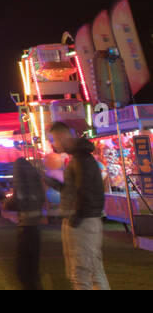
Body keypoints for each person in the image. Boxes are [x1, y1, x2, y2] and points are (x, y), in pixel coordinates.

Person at [39, 122, 109, 289]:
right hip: (82, 220)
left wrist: (75, 220)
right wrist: (51, 181)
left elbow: (89, 193)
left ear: (62, 137)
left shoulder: (81, 159)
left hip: (82, 223)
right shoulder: (79, 158)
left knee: (81, 272)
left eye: (52, 139)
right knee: (91, 270)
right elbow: (75, 190)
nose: (52, 144)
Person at [10, 156, 44, 289]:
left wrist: (8, 203)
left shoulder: (20, 176)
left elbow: (19, 198)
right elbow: (41, 198)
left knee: (23, 259)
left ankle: (29, 284)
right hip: (36, 222)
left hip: (25, 222)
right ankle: (34, 283)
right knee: (33, 258)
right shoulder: (35, 176)